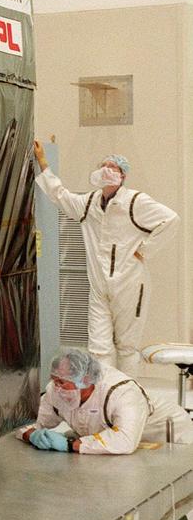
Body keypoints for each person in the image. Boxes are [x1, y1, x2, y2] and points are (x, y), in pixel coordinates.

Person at [34, 143, 178, 375]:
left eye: (113, 167)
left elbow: (170, 220)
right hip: (99, 286)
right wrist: (43, 162)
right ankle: (104, 393)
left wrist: (144, 250)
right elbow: (60, 195)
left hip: (130, 284)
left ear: (123, 175)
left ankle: (127, 394)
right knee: (98, 347)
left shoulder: (134, 202)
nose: (107, 170)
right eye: (104, 166)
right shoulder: (89, 203)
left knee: (126, 347)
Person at [18, 347, 193, 454]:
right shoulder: (55, 390)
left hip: (169, 439)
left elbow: (125, 440)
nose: (56, 388)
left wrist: (70, 445)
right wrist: (32, 435)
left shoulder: (122, 392)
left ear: (85, 380)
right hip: (122, 450)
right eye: (54, 380)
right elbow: (24, 422)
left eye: (62, 383)